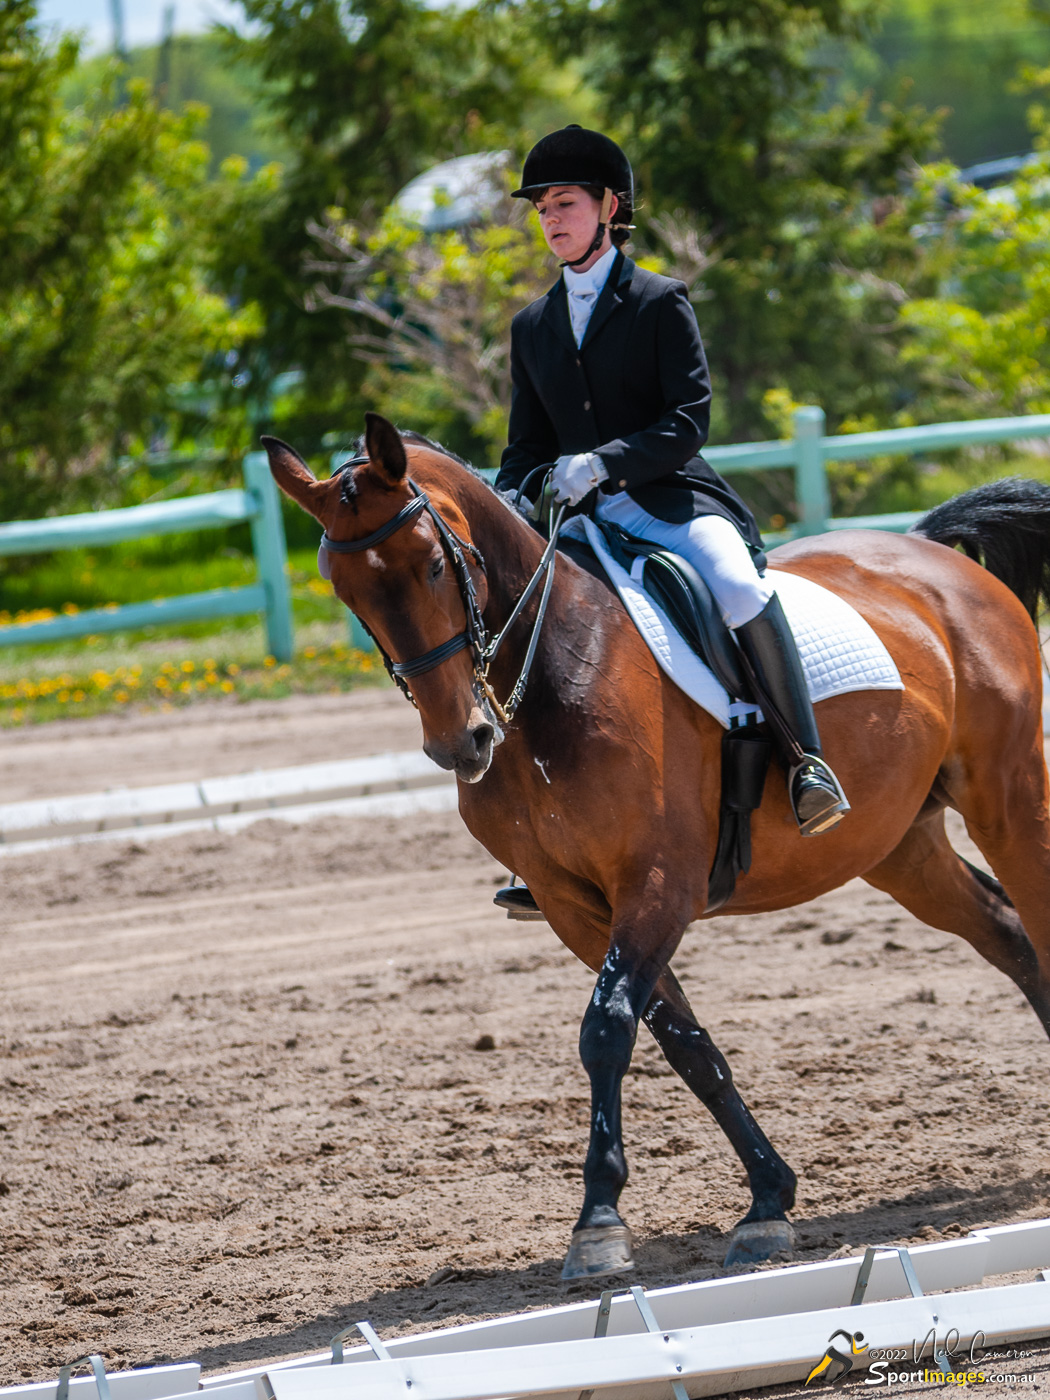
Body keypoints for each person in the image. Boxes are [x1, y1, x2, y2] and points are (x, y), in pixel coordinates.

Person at [493, 126, 847, 916]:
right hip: (583, 522)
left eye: (566, 204)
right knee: (526, 628)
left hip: (669, 498)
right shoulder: (533, 326)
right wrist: (514, 499)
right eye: (543, 209)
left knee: (735, 583)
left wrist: (607, 461)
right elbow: (526, 445)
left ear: (608, 209)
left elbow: (688, 419)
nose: (551, 220)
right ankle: (542, 835)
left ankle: (805, 762)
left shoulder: (659, 301)